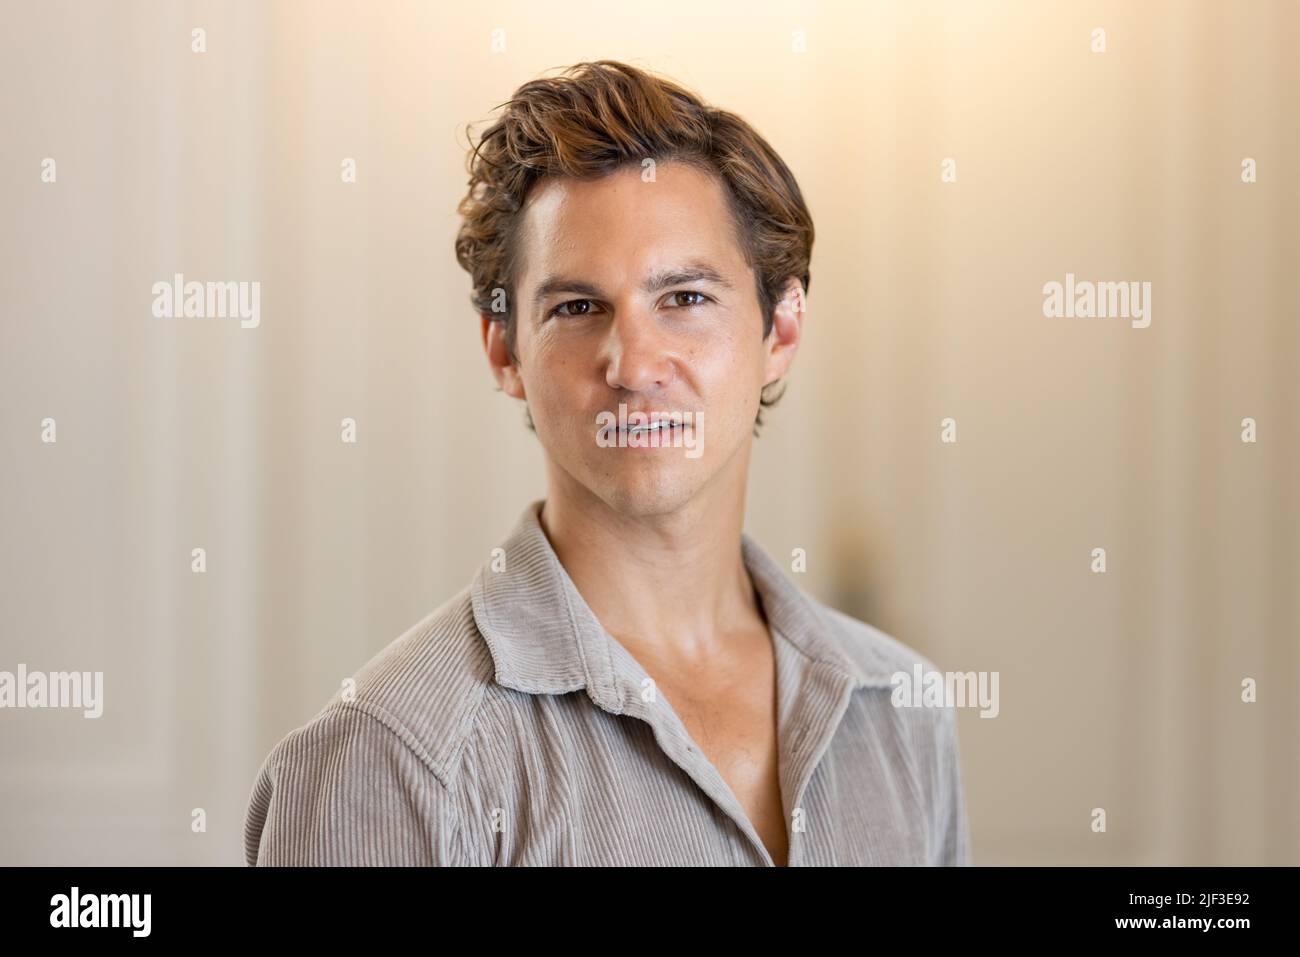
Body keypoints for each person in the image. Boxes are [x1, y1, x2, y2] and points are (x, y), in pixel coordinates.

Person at [243, 59, 969, 866]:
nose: (632, 360)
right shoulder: (388, 764)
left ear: (781, 333)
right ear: (504, 349)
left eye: (685, 298)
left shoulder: (903, 711)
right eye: (578, 308)